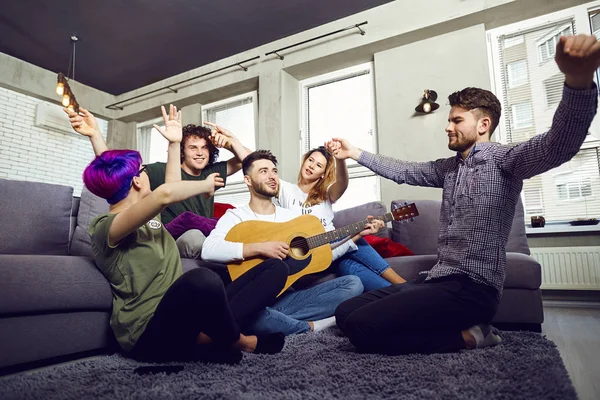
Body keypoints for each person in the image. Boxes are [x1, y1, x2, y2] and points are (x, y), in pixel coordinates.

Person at [331, 33, 600, 355]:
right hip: (436, 281)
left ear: (483, 124)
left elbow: (559, 144)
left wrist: (578, 80)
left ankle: (472, 336)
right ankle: (431, 321)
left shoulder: (506, 160)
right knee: (345, 314)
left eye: (457, 120)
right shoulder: (449, 168)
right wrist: (355, 152)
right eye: (448, 120)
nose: (448, 127)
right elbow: (403, 170)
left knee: (363, 328)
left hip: (473, 290)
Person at [82, 105, 286, 364]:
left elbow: (151, 182)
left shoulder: (151, 219)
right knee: (203, 278)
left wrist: (172, 143)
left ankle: (210, 340)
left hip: (183, 317)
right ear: (135, 181)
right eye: (142, 171)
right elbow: (165, 193)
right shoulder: (106, 228)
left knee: (273, 268)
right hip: (147, 334)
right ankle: (241, 341)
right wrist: (205, 184)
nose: (146, 174)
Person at [202, 150, 377, 336]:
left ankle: (279, 321)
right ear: (248, 180)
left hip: (286, 298)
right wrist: (259, 248)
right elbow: (208, 250)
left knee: (353, 284)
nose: (272, 177)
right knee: (255, 318)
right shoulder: (235, 217)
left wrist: (356, 235)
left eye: (274, 171)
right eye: (263, 171)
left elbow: (321, 250)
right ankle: (311, 326)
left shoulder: (291, 219)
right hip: (252, 300)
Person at [64, 107, 251, 259]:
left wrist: (230, 143)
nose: (200, 153)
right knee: (195, 237)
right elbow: (116, 173)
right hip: (174, 236)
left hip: (206, 234)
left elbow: (252, 163)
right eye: (193, 148)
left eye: (204, 148)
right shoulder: (158, 171)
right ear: (183, 152)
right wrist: (95, 135)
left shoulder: (212, 171)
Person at [276, 145, 406, 292]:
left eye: (318, 165)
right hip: (309, 256)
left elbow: (342, 184)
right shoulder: (286, 190)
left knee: (348, 265)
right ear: (304, 161)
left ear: (323, 174)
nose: (311, 166)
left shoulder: (326, 194)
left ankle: (400, 292)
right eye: (310, 160)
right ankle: (403, 285)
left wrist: (340, 159)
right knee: (348, 236)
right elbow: (260, 166)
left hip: (334, 249)